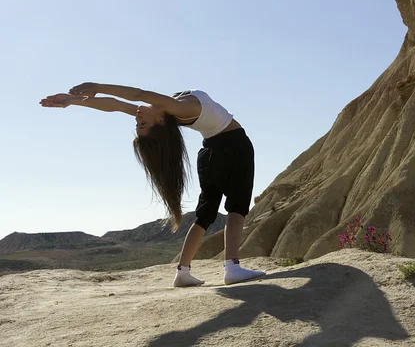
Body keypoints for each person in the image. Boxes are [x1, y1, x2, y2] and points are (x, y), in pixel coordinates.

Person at [40, 83, 266, 287]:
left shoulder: (166, 115)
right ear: (158, 121)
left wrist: (72, 101)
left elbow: (117, 106)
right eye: (142, 123)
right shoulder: (176, 109)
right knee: (237, 207)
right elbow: (139, 93)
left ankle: (183, 271)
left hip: (208, 154)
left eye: (138, 123)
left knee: (205, 216)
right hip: (234, 145)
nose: (137, 116)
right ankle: (232, 267)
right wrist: (98, 87)